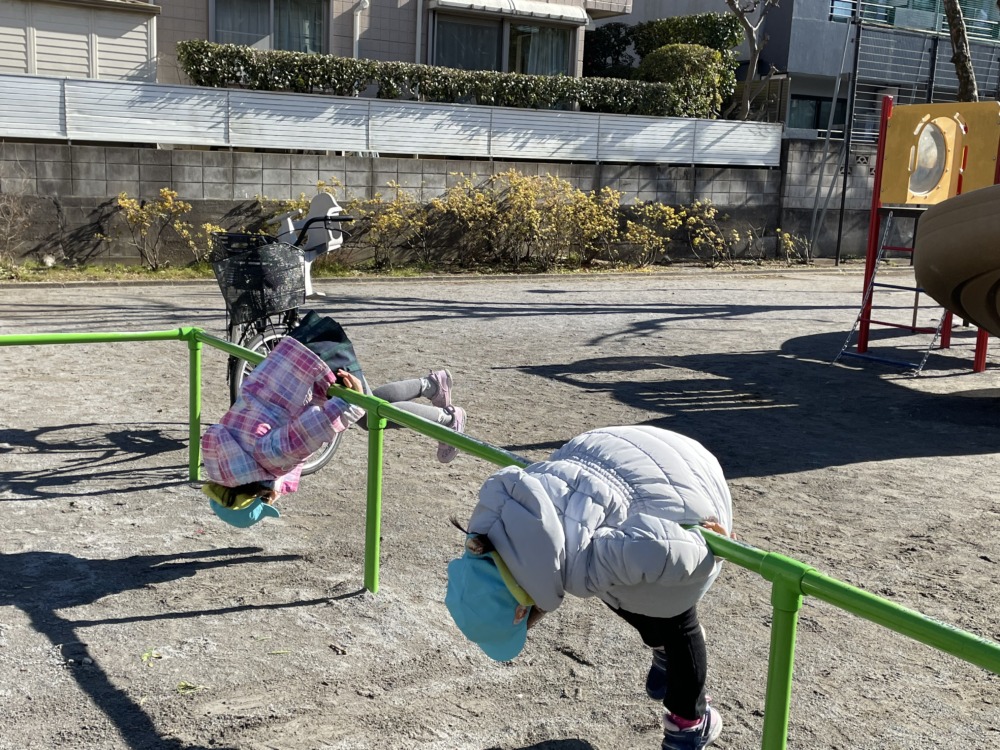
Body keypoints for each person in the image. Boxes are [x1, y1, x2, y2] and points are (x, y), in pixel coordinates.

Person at [445, 425, 734, 750]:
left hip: (690, 482)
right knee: (606, 581)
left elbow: (667, 550)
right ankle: (662, 646)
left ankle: (691, 723)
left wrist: (710, 545)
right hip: (612, 449)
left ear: (521, 612)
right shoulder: (496, 520)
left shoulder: (591, 556)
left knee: (673, 614)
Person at [201, 313, 466, 527]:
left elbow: (310, 431)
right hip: (296, 350)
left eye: (267, 502)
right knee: (371, 405)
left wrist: (349, 403)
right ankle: (432, 384)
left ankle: (447, 420)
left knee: (370, 413)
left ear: (256, 494)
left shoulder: (269, 458)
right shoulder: (228, 447)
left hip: (320, 361)